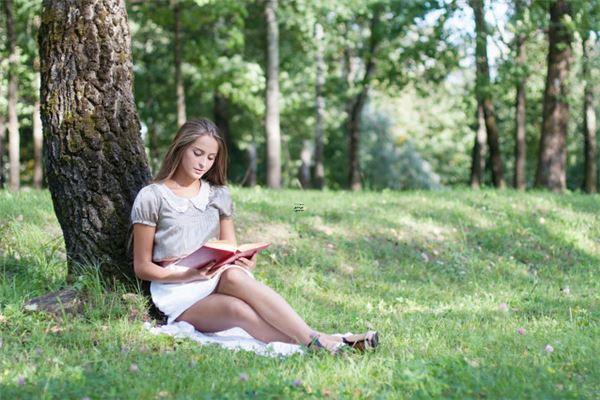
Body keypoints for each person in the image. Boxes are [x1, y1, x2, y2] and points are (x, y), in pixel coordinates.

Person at [131, 118, 378, 354]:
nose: (203, 163)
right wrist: (188, 274)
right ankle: (330, 340)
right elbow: (142, 267)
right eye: (197, 153)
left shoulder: (218, 195)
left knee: (235, 275)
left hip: (217, 276)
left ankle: (319, 342)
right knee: (237, 309)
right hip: (178, 290)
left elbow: (230, 248)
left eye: (210, 157)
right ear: (180, 147)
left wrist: (245, 260)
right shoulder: (153, 196)